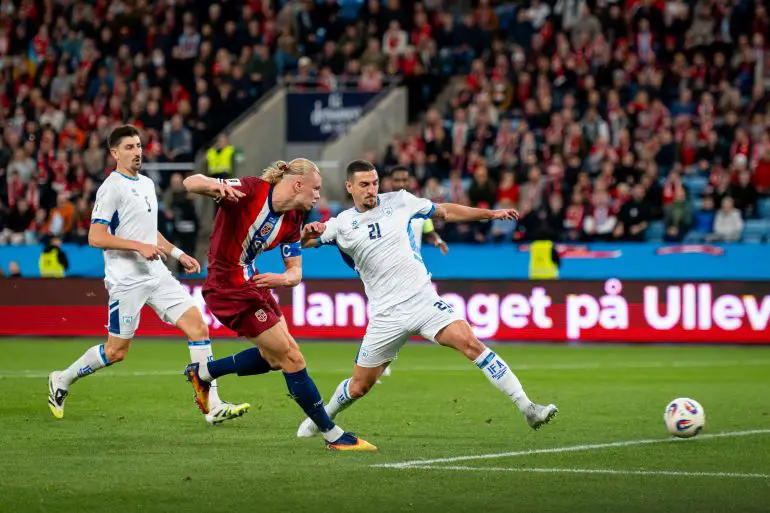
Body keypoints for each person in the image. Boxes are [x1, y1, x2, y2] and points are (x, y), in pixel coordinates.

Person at [296, 160, 558, 441]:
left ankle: (528, 407)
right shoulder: (341, 224)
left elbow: (446, 211)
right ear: (349, 187)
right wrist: (306, 234)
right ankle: (322, 418)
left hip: (424, 301)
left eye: (374, 183)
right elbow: (303, 241)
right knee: (360, 386)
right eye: (364, 185)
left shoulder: (400, 201)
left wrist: (491, 214)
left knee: (472, 344)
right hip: (387, 315)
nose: (371, 189)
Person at [47, 125, 249, 425]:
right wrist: (138, 247)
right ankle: (61, 380)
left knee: (198, 328)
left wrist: (178, 254)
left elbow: (148, 233)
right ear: (115, 153)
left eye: (139, 146)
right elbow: (96, 236)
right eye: (129, 147)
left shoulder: (146, 184)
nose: (137, 152)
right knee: (116, 351)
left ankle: (213, 406)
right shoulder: (110, 188)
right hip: (126, 281)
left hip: (156, 273)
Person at [181, 159, 376, 452]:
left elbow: (295, 272)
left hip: (253, 283)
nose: (318, 196)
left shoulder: (294, 219)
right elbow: (190, 182)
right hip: (227, 287)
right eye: (316, 189)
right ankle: (332, 434)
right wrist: (216, 186)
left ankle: (204, 373)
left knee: (273, 359)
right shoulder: (250, 190)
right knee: (292, 359)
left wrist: (284, 278)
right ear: (297, 185)